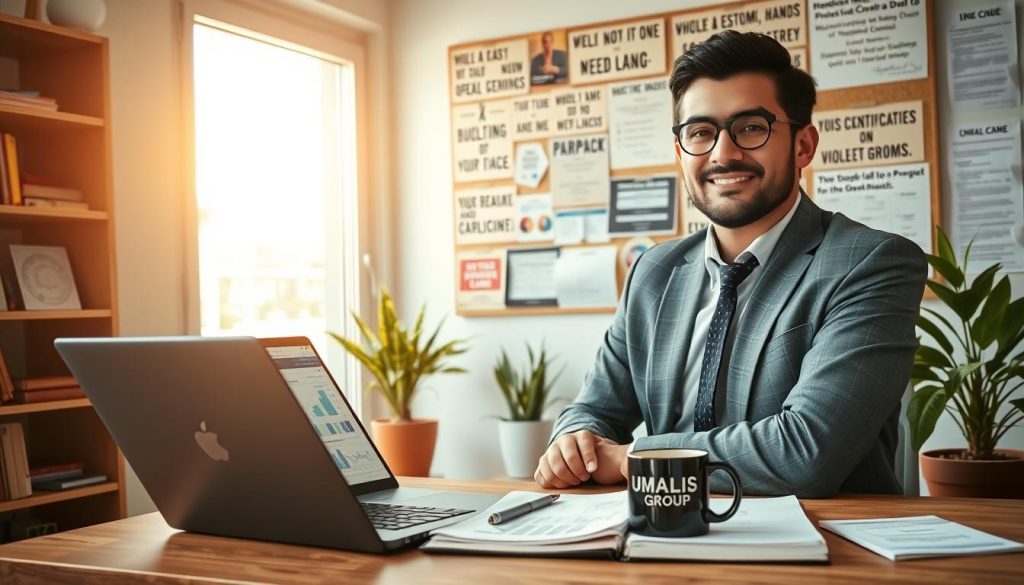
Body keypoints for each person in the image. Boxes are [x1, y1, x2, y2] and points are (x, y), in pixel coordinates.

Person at [535, 30, 927, 498]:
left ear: (803, 146)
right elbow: (593, 409)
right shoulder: (653, 273)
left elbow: (807, 453)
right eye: (700, 132)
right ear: (681, 153)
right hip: (660, 541)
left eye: (751, 127)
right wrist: (572, 441)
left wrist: (633, 459)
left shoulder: (870, 263)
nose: (723, 153)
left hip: (821, 552)